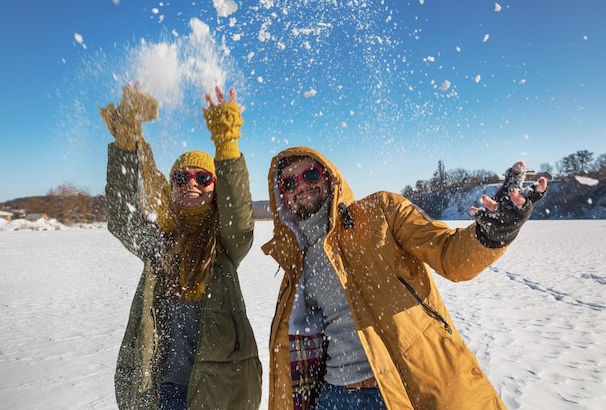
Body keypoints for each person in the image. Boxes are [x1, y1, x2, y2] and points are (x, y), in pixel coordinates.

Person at [261, 146, 547, 410]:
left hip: (402, 390)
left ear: (329, 176)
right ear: (282, 196)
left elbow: (451, 255)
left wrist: (491, 233)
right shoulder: (297, 261)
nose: (301, 185)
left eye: (310, 173)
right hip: (335, 396)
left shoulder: (381, 212)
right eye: (289, 182)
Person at [101, 84, 262, 410]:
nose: (191, 183)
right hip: (163, 390)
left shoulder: (225, 245)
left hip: (216, 390)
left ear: (216, 188)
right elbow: (122, 220)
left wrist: (226, 144)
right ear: (171, 185)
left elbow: (239, 218)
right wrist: (125, 144)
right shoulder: (160, 244)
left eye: (203, 178)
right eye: (180, 177)